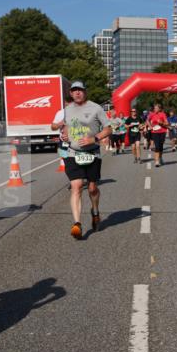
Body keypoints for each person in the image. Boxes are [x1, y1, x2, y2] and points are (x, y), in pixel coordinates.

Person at [50, 81, 112, 239]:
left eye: (80, 90)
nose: (77, 93)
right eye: (74, 91)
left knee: (92, 188)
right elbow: (63, 126)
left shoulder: (96, 108)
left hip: (92, 153)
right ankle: (77, 223)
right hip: (72, 153)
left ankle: (95, 211)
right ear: (71, 94)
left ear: (85, 92)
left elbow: (108, 128)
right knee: (76, 186)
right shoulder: (66, 110)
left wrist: (95, 138)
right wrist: (64, 132)